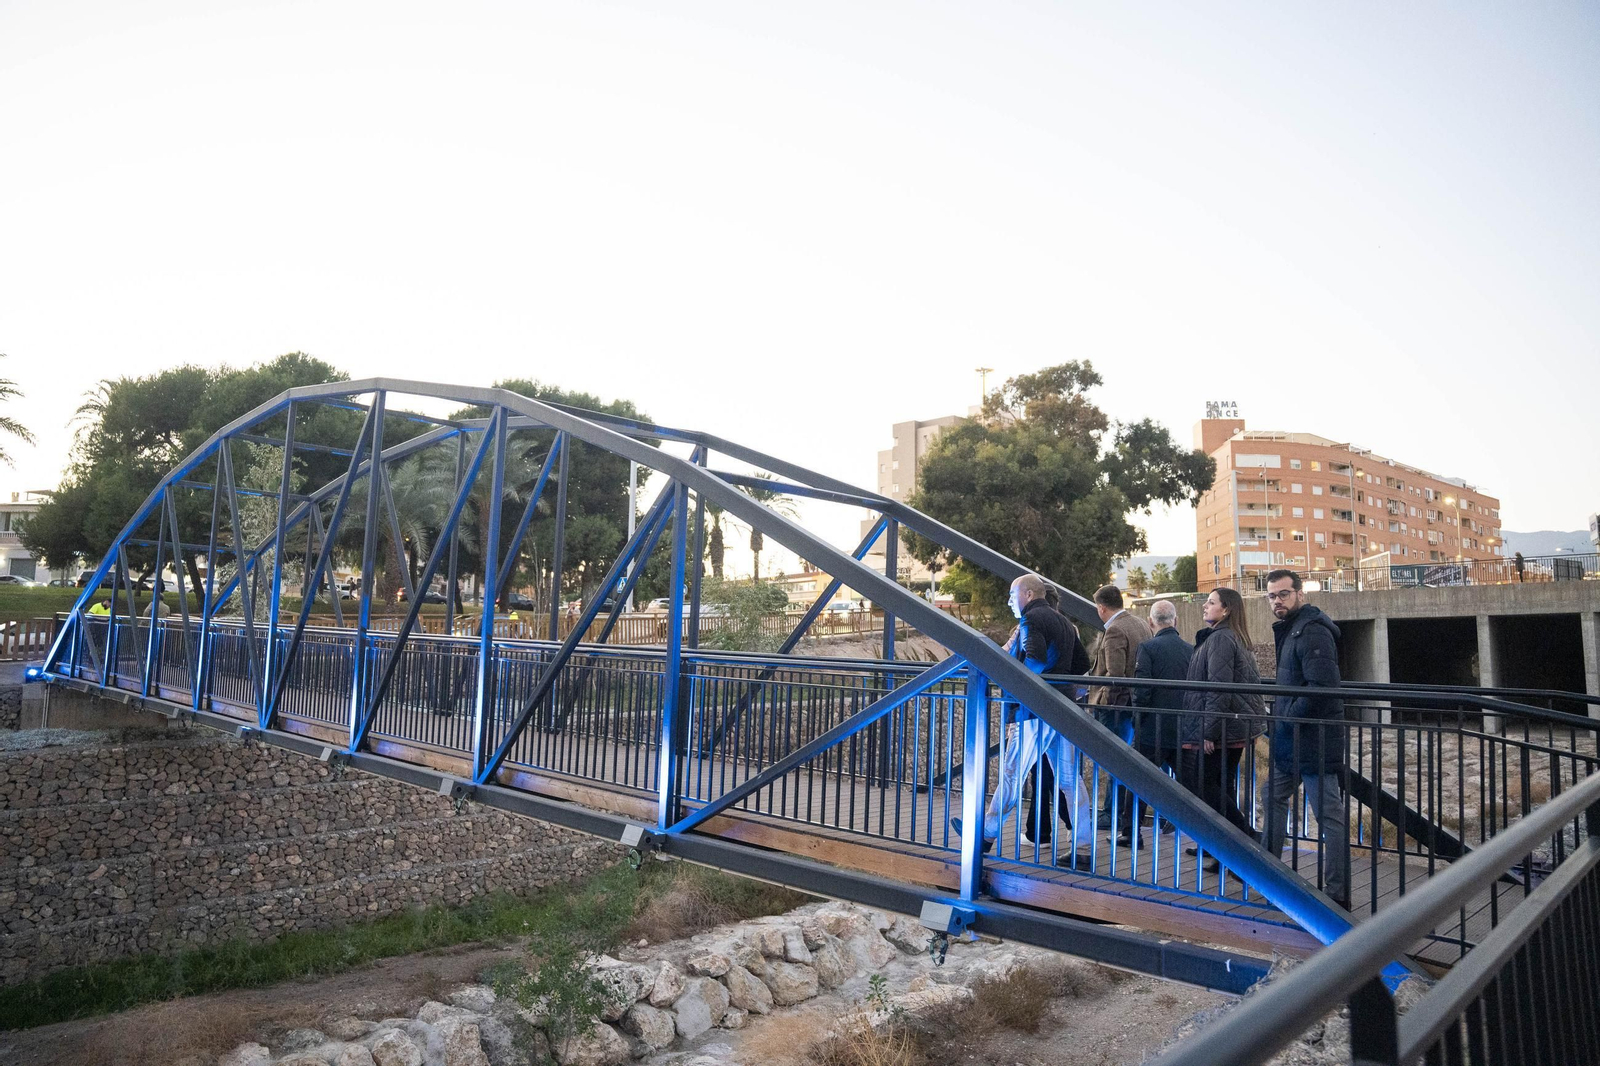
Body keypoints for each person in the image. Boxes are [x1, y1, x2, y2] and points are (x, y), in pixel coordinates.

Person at [952, 573, 1095, 862]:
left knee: (1011, 775)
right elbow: (1082, 664)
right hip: (1062, 707)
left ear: (1028, 594)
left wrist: (1016, 684)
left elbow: (1035, 659)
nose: (1009, 601)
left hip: (1032, 711)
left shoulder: (1030, 620)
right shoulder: (1065, 623)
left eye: (1012, 594)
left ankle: (985, 836)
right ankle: (1082, 846)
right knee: (1070, 780)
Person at [1262, 569, 1351, 909]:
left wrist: (1288, 715)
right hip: (1294, 740)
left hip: (1314, 740)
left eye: (1283, 594)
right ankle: (1269, 875)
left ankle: (1337, 894)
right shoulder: (1293, 629)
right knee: (1272, 795)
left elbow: (1323, 686)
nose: (1277, 601)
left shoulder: (1312, 631)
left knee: (1329, 816)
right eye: (1272, 596)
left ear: (1300, 593)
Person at [1179, 587, 1267, 866]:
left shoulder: (1221, 639)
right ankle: (1225, 853)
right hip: (1231, 727)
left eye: (1211, 602)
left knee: (1204, 784)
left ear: (1226, 609)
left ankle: (1247, 839)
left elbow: (1218, 688)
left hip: (1222, 730)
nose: (1204, 606)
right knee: (1222, 787)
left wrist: (1208, 731)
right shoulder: (1231, 636)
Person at [1086, 584, 1148, 844]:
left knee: (1113, 760)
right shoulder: (1139, 623)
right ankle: (1121, 813)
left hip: (1115, 706)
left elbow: (1115, 674)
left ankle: (1112, 812)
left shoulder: (1114, 630)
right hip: (1134, 703)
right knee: (1124, 758)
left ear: (1101, 607)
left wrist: (1103, 703)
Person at [1129, 600, 1193, 833]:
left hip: (1152, 728)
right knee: (1190, 781)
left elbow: (1142, 689)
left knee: (1139, 778)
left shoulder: (1147, 648)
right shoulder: (1190, 650)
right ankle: (1188, 826)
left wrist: (1138, 719)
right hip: (1183, 727)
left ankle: (1131, 831)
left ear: (1150, 622)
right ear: (1176, 621)